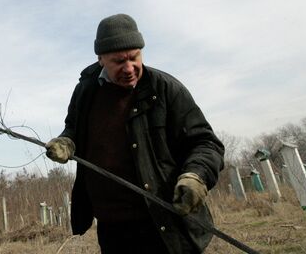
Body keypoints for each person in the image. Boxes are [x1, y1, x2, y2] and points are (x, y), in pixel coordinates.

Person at [45, 14, 225, 254]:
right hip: (112, 229)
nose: (129, 68)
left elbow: (206, 143)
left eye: (134, 57)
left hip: (163, 224)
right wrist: (67, 141)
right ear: (100, 60)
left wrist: (196, 176)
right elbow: (74, 128)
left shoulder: (165, 89)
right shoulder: (85, 92)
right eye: (119, 61)